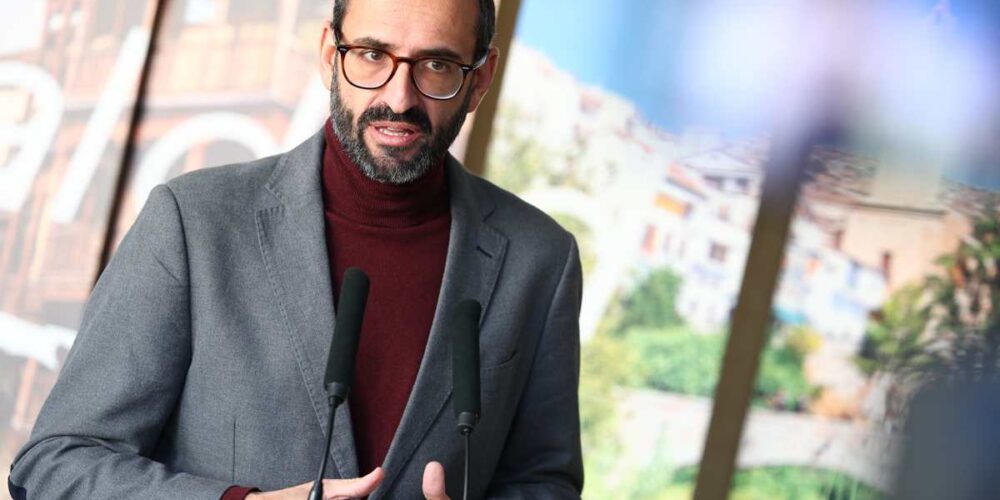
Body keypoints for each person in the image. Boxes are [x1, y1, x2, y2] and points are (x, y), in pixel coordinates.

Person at [8, 0, 583, 498]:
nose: (399, 97)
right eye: (372, 54)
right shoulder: (193, 221)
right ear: (330, 53)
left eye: (437, 64)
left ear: (480, 79)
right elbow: (56, 464)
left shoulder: (542, 261)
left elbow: (545, 481)